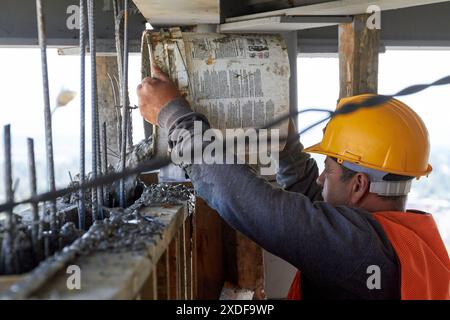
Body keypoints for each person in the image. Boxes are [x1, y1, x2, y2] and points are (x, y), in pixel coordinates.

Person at [137, 65, 450, 300]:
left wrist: (173, 116)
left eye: (327, 168)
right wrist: (288, 148)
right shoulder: (410, 243)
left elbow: (256, 207)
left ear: (359, 186)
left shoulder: (359, 247)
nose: (321, 177)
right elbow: (318, 212)